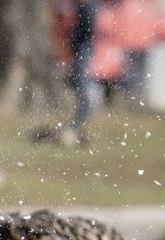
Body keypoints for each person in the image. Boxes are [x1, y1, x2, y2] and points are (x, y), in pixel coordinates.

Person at [68, 0, 98, 143]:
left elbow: (88, 30)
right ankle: (79, 120)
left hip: (85, 50)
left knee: (84, 86)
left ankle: (82, 119)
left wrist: (74, 42)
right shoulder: (85, 7)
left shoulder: (88, 7)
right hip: (83, 50)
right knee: (80, 84)